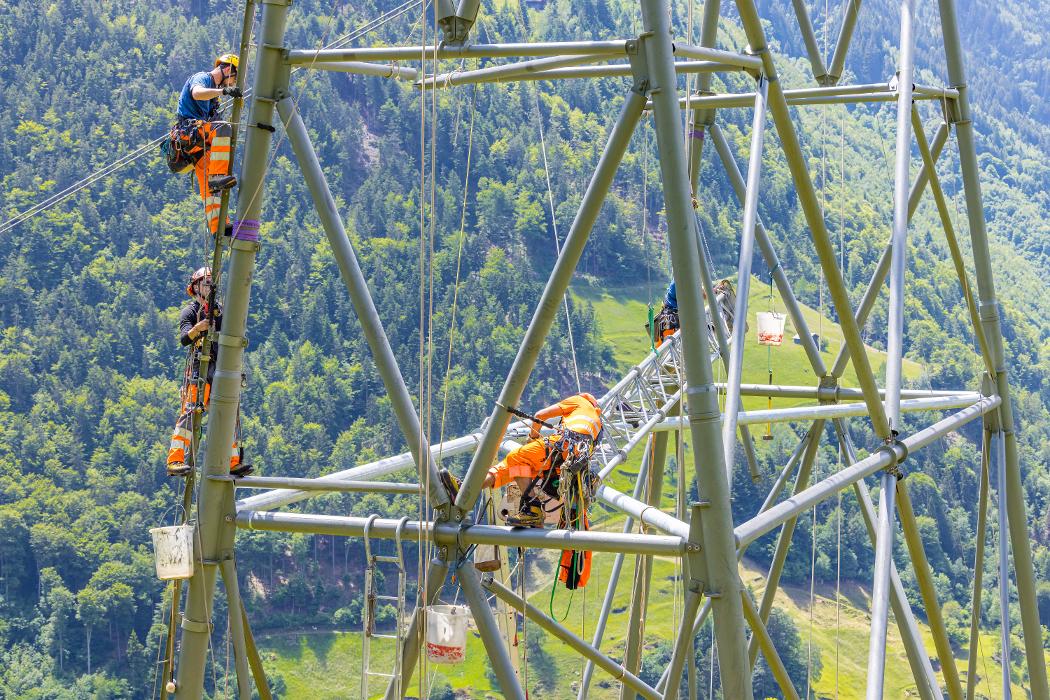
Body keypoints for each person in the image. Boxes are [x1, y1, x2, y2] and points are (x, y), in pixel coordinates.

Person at [166, 267, 251, 477]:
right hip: (199, 369)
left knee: (227, 414)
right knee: (189, 413)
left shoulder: (220, 313)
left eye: (211, 283)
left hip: (219, 367)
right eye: (205, 282)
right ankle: (175, 459)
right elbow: (185, 338)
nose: (209, 286)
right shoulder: (191, 312)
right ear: (195, 287)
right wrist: (199, 328)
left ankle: (232, 461)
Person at [482, 392, 602, 527]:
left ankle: (533, 510)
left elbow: (540, 416)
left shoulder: (579, 401)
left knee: (517, 457)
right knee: (514, 467)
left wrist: (532, 439)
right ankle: (534, 519)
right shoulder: (597, 423)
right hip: (570, 462)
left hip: (564, 446)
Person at [172, 54, 242, 235]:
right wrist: (223, 92)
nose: (231, 83)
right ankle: (217, 177)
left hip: (196, 144)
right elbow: (196, 93)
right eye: (233, 78)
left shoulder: (213, 98)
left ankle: (219, 226)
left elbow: (213, 118)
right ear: (227, 69)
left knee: (207, 185)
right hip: (189, 132)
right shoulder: (203, 78)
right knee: (223, 129)